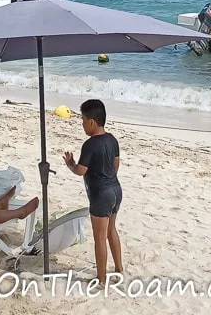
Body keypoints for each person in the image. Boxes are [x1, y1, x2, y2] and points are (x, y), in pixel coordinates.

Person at [63, 99, 123, 285]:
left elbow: (81, 170)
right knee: (111, 230)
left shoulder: (89, 145)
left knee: (99, 238)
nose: (82, 125)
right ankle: (119, 268)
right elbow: (116, 164)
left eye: (82, 120)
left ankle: (102, 279)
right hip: (115, 189)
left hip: (100, 194)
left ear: (91, 122)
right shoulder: (112, 139)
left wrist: (71, 164)